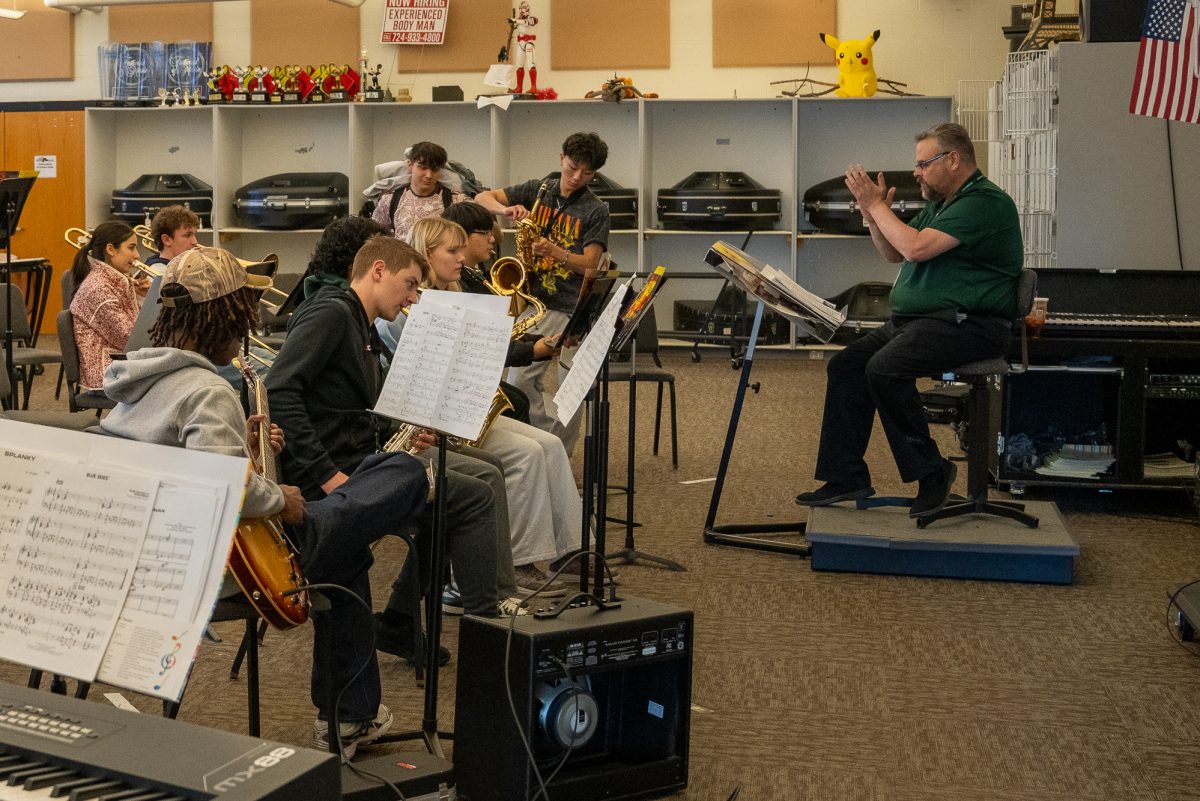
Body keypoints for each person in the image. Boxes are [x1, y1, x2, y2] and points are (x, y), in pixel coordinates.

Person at [99, 246, 436, 760]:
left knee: (348, 546)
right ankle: (348, 716)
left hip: (165, 554)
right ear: (224, 319)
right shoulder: (206, 390)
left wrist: (253, 442)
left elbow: (192, 467)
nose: (246, 329)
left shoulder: (140, 382)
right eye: (242, 317)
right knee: (403, 473)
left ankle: (353, 717)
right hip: (229, 567)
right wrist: (279, 495)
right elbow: (223, 484)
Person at [287, 216, 531, 615]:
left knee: (477, 474)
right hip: (341, 470)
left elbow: (351, 406)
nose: (414, 298)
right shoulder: (331, 314)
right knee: (475, 494)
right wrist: (328, 475)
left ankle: (403, 619)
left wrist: (397, 430)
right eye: (411, 284)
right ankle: (487, 619)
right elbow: (280, 391)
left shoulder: (359, 322)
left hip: (359, 456)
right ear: (378, 271)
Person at [795, 122, 1022, 518]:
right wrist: (870, 212)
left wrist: (879, 206)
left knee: (883, 370)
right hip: (923, 322)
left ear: (953, 160)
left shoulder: (984, 203)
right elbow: (893, 253)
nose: (916, 172)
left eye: (923, 164)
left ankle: (933, 472)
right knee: (847, 366)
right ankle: (846, 475)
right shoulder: (944, 203)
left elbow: (914, 248)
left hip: (969, 325)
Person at [385, 216, 583, 592]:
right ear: (426, 254)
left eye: (462, 249)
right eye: (452, 251)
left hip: (465, 408)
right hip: (436, 419)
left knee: (551, 444)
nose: (463, 259)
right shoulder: (413, 308)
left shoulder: (456, 292)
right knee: (525, 456)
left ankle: (568, 551)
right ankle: (519, 561)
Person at [475, 131, 611, 453]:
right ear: (561, 157)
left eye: (587, 173)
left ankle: (557, 451)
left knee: (567, 392)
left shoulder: (595, 210)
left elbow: (592, 264)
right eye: (573, 166)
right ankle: (543, 444)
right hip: (536, 302)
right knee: (519, 382)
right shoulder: (540, 189)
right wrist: (507, 212)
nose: (577, 177)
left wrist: (555, 251)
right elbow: (483, 198)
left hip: (570, 307)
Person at [69, 221, 148, 390]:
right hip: (107, 371)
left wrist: (142, 298)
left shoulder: (118, 280)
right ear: (111, 249)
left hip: (122, 361)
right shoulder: (98, 288)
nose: (137, 255)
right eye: (131, 248)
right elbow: (130, 339)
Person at [370, 141, 469, 241]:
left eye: (434, 169)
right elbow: (374, 238)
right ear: (410, 164)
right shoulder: (389, 200)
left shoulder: (456, 200)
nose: (429, 175)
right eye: (423, 168)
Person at [507, 1, 539, 94]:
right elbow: (518, 23)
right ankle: (519, 87)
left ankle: (533, 87)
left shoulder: (532, 19)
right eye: (520, 9)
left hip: (529, 43)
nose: (522, 11)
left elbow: (527, 23)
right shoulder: (519, 19)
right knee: (519, 65)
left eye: (524, 8)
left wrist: (515, 20)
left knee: (531, 64)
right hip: (520, 43)